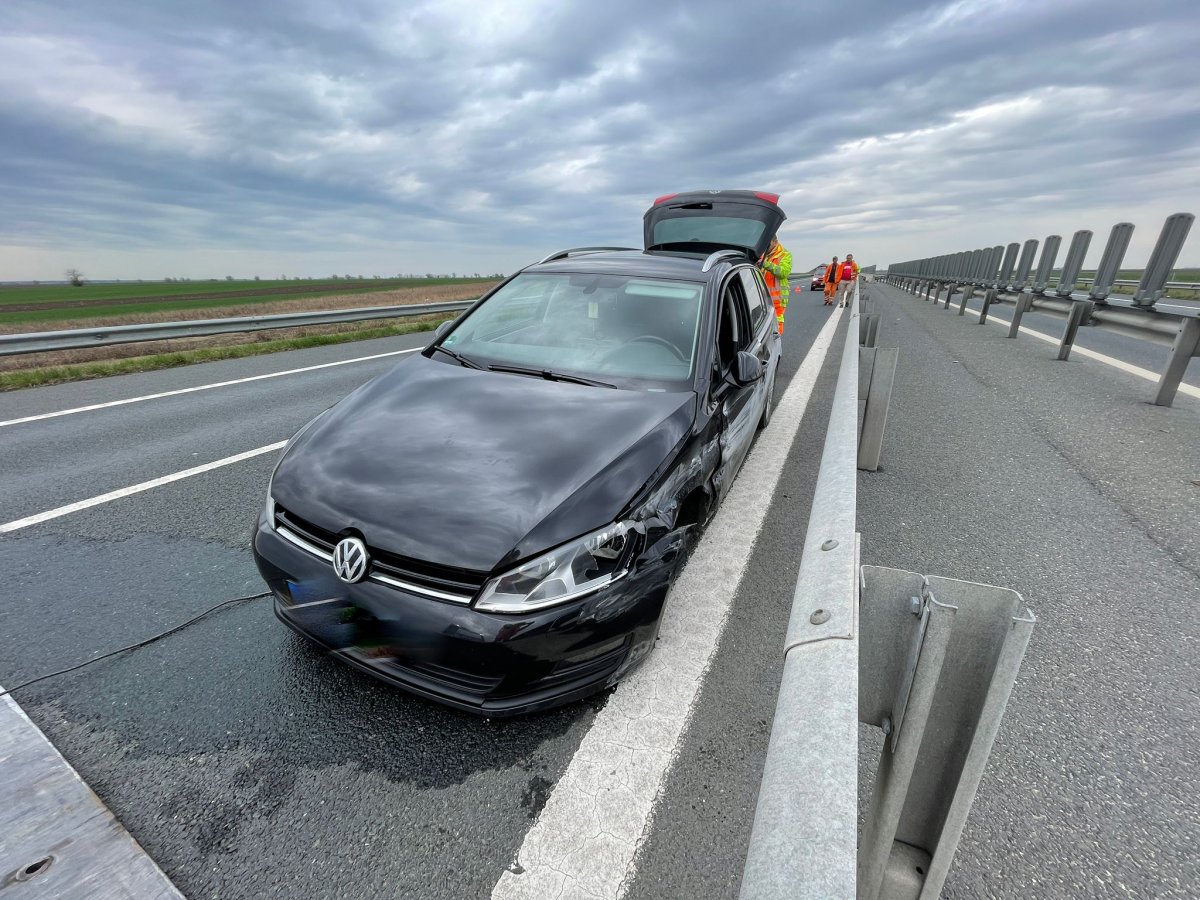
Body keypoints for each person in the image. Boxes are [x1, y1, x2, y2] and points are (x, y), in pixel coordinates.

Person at [760, 237, 792, 334]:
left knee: (776, 326)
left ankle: (776, 345)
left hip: (777, 297)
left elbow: (783, 272)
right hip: (762, 296)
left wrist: (766, 264)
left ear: (775, 241)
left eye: (768, 243)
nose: (766, 245)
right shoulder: (763, 254)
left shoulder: (785, 254)